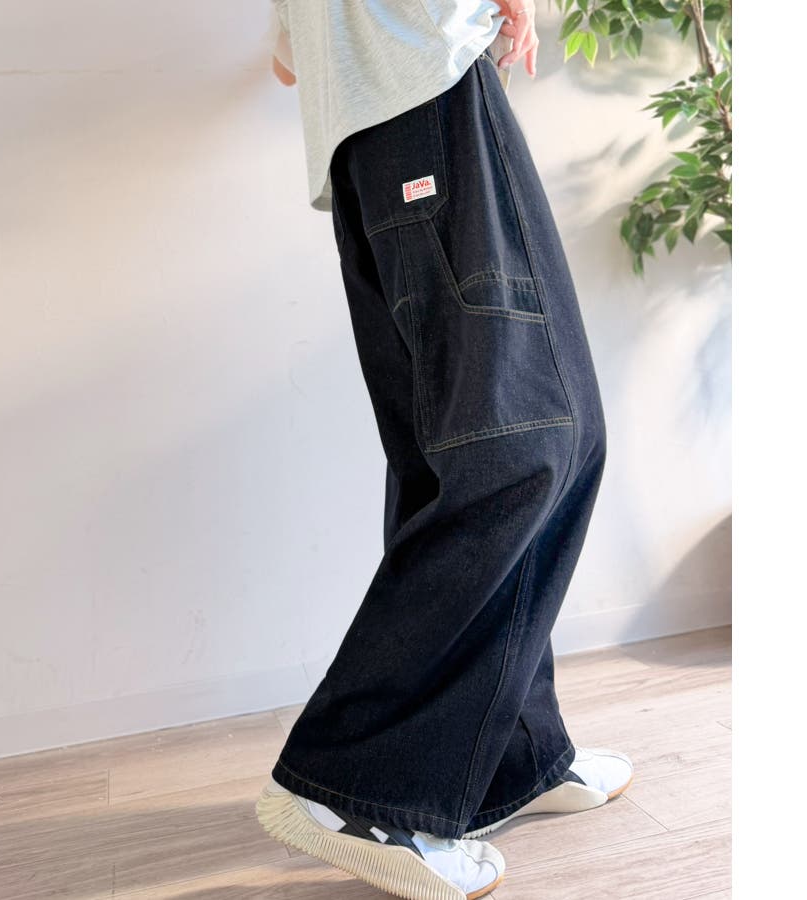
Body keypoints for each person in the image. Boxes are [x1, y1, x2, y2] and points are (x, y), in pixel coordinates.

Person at [255, 3, 633, 898]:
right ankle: (356, 786)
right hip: (429, 97)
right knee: (526, 447)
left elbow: (288, 58)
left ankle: (510, 756)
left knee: (464, 455)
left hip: (372, 137)